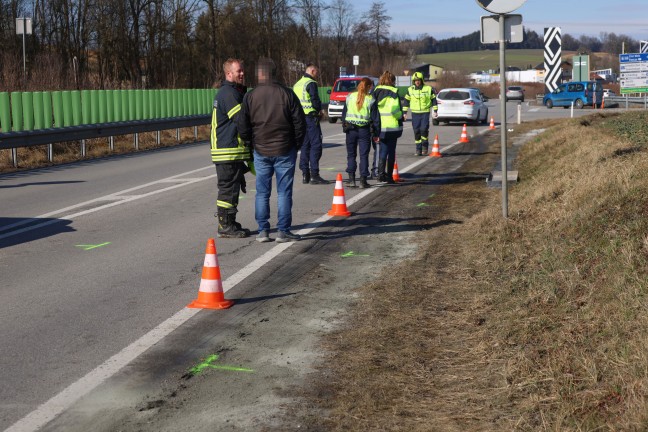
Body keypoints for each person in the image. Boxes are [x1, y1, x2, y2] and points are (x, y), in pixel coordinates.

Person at [238, 58, 306, 243]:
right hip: (285, 149)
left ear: (260, 74)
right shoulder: (287, 94)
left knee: (262, 192)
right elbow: (300, 123)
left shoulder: (250, 96)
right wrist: (296, 144)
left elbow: (242, 126)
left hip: (260, 149)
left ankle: (263, 231)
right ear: (274, 73)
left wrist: (250, 143)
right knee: (284, 192)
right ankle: (283, 231)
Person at [210, 58, 252, 238]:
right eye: (238, 71)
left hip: (230, 150)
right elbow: (241, 122)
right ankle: (225, 225)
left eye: (242, 70)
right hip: (227, 150)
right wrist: (251, 139)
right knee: (228, 189)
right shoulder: (229, 93)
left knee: (233, 188)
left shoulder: (233, 92)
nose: (242, 74)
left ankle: (230, 222)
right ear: (229, 74)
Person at [341, 77, 380, 189]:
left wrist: (344, 124)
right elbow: (375, 119)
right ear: (368, 87)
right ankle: (363, 181)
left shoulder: (350, 96)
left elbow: (344, 113)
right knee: (364, 155)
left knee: (351, 155)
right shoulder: (371, 99)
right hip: (364, 130)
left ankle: (352, 179)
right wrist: (377, 133)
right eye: (371, 86)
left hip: (351, 129)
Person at [293, 64, 327, 185]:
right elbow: (315, 101)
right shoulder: (311, 83)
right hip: (311, 118)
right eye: (316, 72)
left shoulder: (297, 84)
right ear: (312, 71)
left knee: (305, 145)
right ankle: (314, 174)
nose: (316, 75)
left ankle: (305, 174)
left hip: (300, 119)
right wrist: (320, 111)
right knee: (316, 145)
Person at [373, 71, 405, 184]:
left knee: (383, 150)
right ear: (391, 81)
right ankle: (390, 177)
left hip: (380, 127)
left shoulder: (375, 91)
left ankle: (381, 175)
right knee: (391, 151)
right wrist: (401, 116)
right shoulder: (394, 92)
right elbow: (395, 110)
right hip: (392, 126)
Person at [403, 71, 438, 156]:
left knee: (423, 129)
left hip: (425, 113)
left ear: (421, 80)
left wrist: (435, 111)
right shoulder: (410, 89)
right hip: (415, 113)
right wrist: (405, 113)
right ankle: (418, 149)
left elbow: (434, 100)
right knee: (416, 131)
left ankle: (425, 146)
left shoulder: (428, 89)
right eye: (415, 80)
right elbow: (406, 101)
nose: (417, 81)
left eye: (418, 80)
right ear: (413, 81)